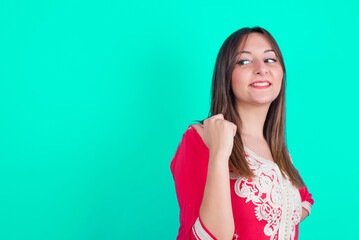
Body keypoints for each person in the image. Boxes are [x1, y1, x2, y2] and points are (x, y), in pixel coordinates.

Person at [170, 26, 314, 240]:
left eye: (270, 60)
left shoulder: (276, 148)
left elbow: (305, 200)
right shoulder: (201, 138)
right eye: (244, 61)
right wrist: (219, 154)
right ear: (226, 76)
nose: (261, 69)